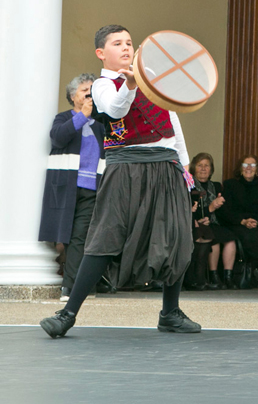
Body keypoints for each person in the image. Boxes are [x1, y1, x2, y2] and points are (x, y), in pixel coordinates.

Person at [40, 25, 199, 337]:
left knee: (179, 238)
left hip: (165, 164)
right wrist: (129, 85)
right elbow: (114, 110)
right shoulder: (102, 85)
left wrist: (184, 163)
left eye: (129, 42)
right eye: (117, 43)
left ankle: (170, 312)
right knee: (105, 237)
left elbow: (172, 118)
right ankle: (68, 313)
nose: (126, 47)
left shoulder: (150, 77)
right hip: (125, 166)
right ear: (102, 53)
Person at [38, 74, 107, 302]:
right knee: (64, 237)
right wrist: (82, 116)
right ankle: (77, 285)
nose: (88, 93)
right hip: (65, 187)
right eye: (84, 89)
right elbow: (58, 138)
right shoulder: (64, 118)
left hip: (91, 189)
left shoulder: (100, 124)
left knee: (80, 237)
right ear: (72, 96)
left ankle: (71, 287)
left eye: (92, 89)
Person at [219, 155, 258, 287]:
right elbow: (225, 212)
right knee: (250, 237)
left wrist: (256, 222)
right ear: (240, 168)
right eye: (245, 164)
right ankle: (255, 274)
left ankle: (256, 272)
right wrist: (243, 221)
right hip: (236, 224)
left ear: (257, 169)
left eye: (252, 165)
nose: (249, 168)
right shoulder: (230, 185)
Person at [187, 153, 236, 290]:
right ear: (194, 168)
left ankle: (228, 277)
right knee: (212, 238)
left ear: (211, 169)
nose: (203, 169)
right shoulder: (190, 186)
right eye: (200, 165)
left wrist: (219, 206)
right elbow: (192, 211)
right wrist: (210, 207)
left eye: (206, 166)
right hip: (196, 224)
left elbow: (224, 212)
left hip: (214, 222)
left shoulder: (216, 186)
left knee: (230, 239)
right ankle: (213, 276)